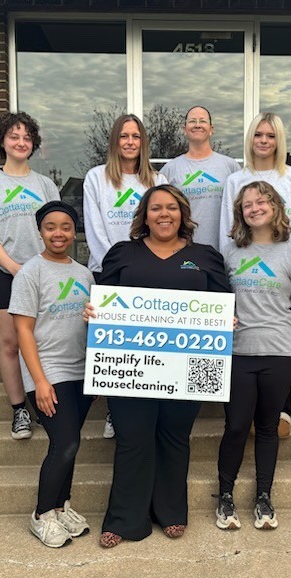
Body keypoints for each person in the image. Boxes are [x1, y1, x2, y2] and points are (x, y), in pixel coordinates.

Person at [83, 184, 232, 548]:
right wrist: (95, 313)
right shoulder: (122, 254)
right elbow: (104, 298)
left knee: (174, 438)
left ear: (182, 214)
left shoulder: (206, 256)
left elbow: (221, 302)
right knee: (133, 440)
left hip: (187, 367)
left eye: (171, 208)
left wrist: (224, 322)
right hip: (131, 368)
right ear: (144, 216)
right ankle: (125, 518)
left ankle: (171, 512)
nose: (163, 214)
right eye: (155, 209)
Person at [215, 181, 291, 531]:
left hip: (282, 353)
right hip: (238, 351)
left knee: (268, 428)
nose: (254, 208)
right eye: (247, 204)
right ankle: (225, 496)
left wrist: (281, 326)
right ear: (240, 212)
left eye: (261, 201)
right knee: (237, 425)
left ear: (275, 207)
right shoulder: (228, 253)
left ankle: (263, 496)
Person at [219, 112, 291, 437]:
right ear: (251, 139)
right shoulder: (236, 178)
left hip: (287, 268)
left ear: (279, 141)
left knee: (281, 338)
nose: (264, 141)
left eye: (271, 136)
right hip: (246, 268)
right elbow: (227, 228)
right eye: (258, 134)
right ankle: (245, 412)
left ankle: (280, 411)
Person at [0, 111, 60, 440]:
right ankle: (20, 409)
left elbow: (58, 230)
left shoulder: (46, 185)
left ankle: (46, 401)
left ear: (32, 144)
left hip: (42, 273)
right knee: (10, 343)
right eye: (14, 136)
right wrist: (14, 267)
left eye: (26, 137)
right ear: (2, 141)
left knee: (41, 340)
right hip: (4, 273)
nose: (21, 142)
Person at [9, 201, 94, 548]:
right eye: (50, 227)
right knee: (65, 442)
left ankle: (62, 507)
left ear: (74, 232)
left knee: (70, 444)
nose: (58, 233)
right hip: (49, 371)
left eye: (65, 227)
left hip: (81, 371)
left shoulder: (85, 274)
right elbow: (23, 331)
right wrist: (39, 381)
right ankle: (42, 514)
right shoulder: (31, 272)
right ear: (40, 231)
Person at [83, 114, 168, 439]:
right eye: (124, 136)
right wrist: (117, 268)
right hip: (109, 271)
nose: (130, 142)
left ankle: (149, 405)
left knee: (146, 344)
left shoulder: (156, 182)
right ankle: (114, 412)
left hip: (149, 271)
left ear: (143, 143)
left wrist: (146, 265)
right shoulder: (96, 178)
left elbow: (161, 227)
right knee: (114, 345)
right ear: (115, 142)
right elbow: (94, 228)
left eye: (136, 136)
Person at [160, 105, 240, 249]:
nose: (197, 125)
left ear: (211, 129)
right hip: (184, 251)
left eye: (202, 121)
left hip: (224, 249)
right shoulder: (170, 170)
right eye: (192, 121)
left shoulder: (230, 166)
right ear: (184, 129)